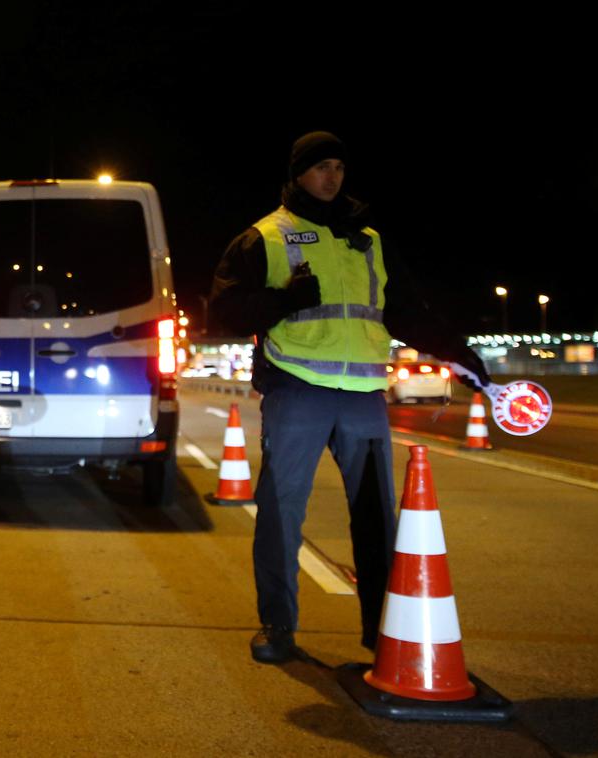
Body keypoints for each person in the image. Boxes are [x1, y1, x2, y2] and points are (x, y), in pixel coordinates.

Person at [209, 131, 489, 664]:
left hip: (362, 394)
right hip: (297, 389)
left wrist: (459, 352)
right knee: (281, 511)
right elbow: (223, 313)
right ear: (297, 174)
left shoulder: (370, 240)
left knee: (376, 517)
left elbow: (406, 310)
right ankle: (277, 625)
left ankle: (381, 631)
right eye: (320, 168)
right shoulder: (266, 236)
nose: (332, 177)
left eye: (338, 167)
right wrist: (281, 301)